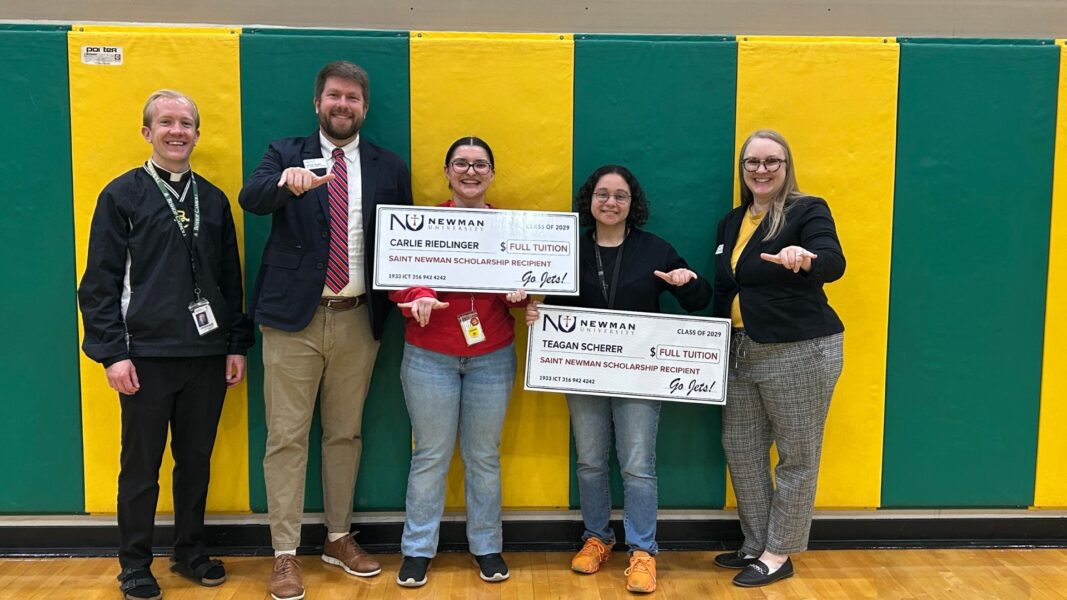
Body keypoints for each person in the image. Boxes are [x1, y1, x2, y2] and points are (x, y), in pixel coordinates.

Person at [238, 61, 413, 600]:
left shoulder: (389, 165)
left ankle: (338, 537)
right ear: (318, 103)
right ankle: (284, 553)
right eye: (334, 96)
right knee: (286, 437)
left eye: (353, 98)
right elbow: (251, 198)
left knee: (345, 434)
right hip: (293, 321)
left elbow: (406, 241)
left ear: (365, 108)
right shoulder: (284, 153)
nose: (343, 105)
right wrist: (284, 186)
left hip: (360, 319)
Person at [78, 90, 253, 600]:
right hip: (145, 357)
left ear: (198, 134)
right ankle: (134, 563)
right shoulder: (121, 196)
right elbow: (99, 283)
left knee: (195, 462)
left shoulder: (214, 199)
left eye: (187, 124)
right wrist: (113, 352)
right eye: (167, 122)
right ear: (147, 132)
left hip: (205, 356)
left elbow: (229, 280)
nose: (177, 131)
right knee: (141, 467)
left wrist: (235, 344)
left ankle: (190, 551)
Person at [525, 165, 711, 594]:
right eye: (602, 194)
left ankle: (643, 551)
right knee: (590, 461)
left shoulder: (655, 250)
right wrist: (536, 312)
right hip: (581, 373)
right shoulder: (566, 250)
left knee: (637, 466)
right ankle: (597, 538)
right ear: (589, 200)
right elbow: (545, 303)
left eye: (620, 196)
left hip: (640, 376)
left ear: (633, 204)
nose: (611, 202)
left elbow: (699, 301)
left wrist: (686, 281)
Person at [390, 136, 527, 588]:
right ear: (447, 172)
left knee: (483, 456)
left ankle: (486, 546)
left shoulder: (509, 227)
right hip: (430, 356)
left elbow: (533, 280)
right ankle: (416, 550)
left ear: (492, 173)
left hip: (491, 357)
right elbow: (397, 276)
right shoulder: (423, 223)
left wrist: (523, 293)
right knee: (430, 456)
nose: (471, 172)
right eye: (461, 164)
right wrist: (418, 295)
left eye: (480, 164)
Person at [711, 129, 845, 587]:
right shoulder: (732, 221)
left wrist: (804, 258)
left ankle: (777, 552)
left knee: (796, 456)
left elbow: (833, 261)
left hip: (800, 350)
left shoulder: (807, 209)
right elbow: (729, 285)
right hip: (741, 351)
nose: (761, 170)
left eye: (772, 161)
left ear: (787, 167)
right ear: (743, 168)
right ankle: (755, 543)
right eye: (752, 162)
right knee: (742, 449)